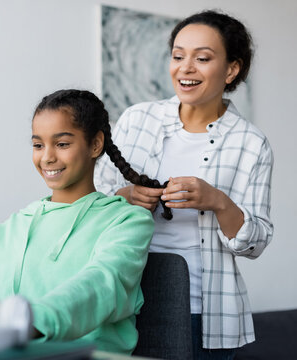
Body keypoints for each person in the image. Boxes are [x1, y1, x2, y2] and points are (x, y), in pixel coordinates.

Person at [94, 10, 273, 359]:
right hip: (124, 297)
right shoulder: (136, 119)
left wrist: (218, 201)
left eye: (202, 58)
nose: (185, 68)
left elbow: (255, 242)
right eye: (178, 56)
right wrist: (124, 196)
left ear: (231, 69)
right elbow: (93, 202)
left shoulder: (251, 143)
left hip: (202, 312)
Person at [0, 89, 156, 354]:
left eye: (62, 144)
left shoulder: (128, 221)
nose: (47, 157)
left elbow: (102, 284)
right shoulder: (18, 224)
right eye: (38, 145)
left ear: (95, 145)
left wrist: (30, 320)